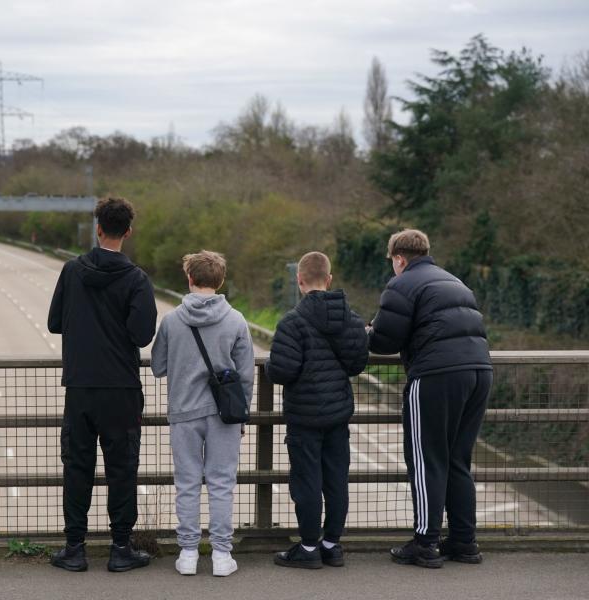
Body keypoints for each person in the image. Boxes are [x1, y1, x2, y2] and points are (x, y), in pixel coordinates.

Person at [368, 229, 492, 568]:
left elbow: (384, 340)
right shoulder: (455, 281)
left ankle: (425, 542)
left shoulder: (404, 283)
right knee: (457, 460)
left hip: (437, 375)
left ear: (399, 258)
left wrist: (366, 332)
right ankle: (464, 542)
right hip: (479, 371)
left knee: (426, 460)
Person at [47, 196, 158, 573]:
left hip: (79, 386)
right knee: (121, 468)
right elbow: (143, 335)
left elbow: (54, 323)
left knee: (77, 466)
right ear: (128, 231)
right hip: (121, 390)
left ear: (98, 228)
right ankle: (120, 548)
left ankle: (74, 548)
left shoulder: (72, 271)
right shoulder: (137, 280)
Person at [151, 251, 253, 577]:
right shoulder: (236, 320)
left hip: (183, 411)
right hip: (223, 414)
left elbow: (158, 366)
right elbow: (246, 374)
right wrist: (242, 415)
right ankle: (222, 555)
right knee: (222, 483)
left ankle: (188, 553)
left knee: (187, 483)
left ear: (190, 279)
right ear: (220, 280)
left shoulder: (171, 321)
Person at [266, 251, 369, 569]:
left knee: (307, 481)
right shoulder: (351, 320)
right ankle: (331, 545)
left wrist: (270, 365)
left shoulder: (292, 322)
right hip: (338, 414)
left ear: (299, 281)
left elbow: (282, 371)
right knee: (336, 479)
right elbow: (357, 364)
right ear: (329, 279)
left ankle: (309, 548)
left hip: (304, 416)